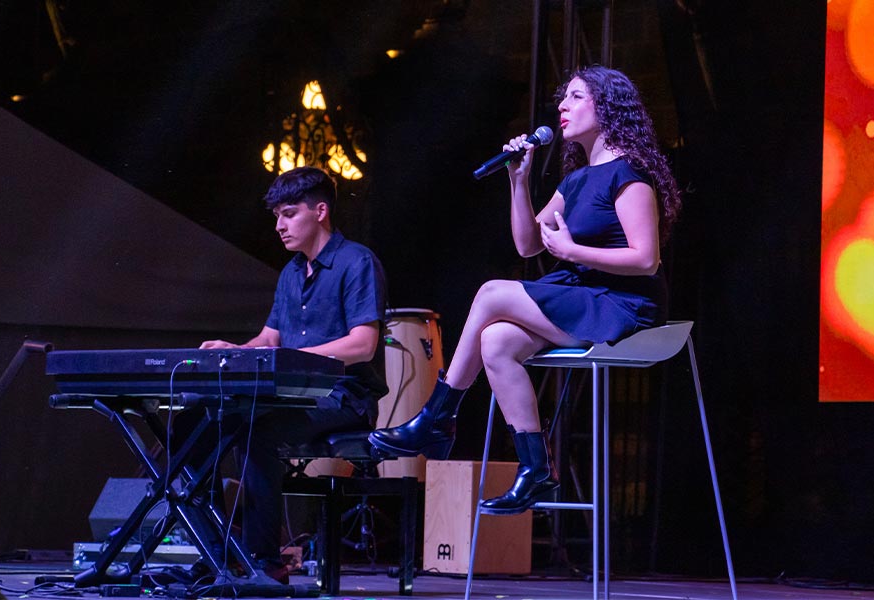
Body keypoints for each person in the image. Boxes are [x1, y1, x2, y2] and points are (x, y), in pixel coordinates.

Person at [369, 65, 681, 515]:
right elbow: (528, 244)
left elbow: (646, 259)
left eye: (575, 97)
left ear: (608, 108)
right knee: (494, 341)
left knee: (493, 292)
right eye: (563, 98)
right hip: (580, 295)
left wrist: (574, 251)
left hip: (623, 304)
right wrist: (519, 179)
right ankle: (536, 468)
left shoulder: (628, 175)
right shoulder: (574, 181)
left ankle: (437, 416)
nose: (562, 107)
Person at [192, 166, 388, 578]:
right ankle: (217, 553)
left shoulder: (357, 262)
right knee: (199, 423)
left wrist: (299, 360)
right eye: (276, 216)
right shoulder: (291, 272)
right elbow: (270, 338)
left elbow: (363, 344)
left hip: (343, 398)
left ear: (319, 211)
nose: (279, 226)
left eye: (288, 214)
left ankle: (264, 560)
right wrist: (237, 351)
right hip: (294, 393)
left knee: (254, 430)